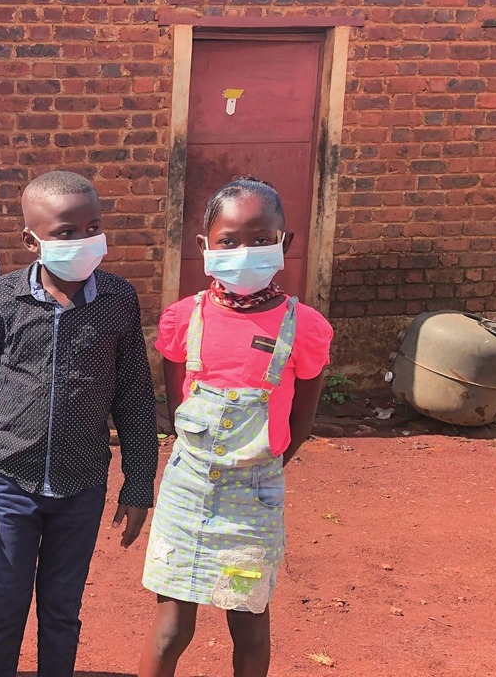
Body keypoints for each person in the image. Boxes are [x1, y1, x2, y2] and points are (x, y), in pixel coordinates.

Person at [0, 170, 159, 677]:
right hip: (11, 486)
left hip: (82, 487)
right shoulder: (4, 298)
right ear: (32, 239)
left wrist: (138, 486)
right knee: (4, 607)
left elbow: (134, 397)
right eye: (66, 232)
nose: (83, 241)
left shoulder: (117, 300)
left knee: (61, 611)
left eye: (93, 227)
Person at [138, 178, 333, 677]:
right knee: (171, 629)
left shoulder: (304, 326)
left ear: (285, 243)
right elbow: (179, 398)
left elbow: (300, 423)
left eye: (260, 239)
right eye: (229, 241)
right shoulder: (184, 320)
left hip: (254, 501)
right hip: (187, 493)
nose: (244, 251)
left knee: (248, 625)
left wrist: (258, 465)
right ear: (205, 247)